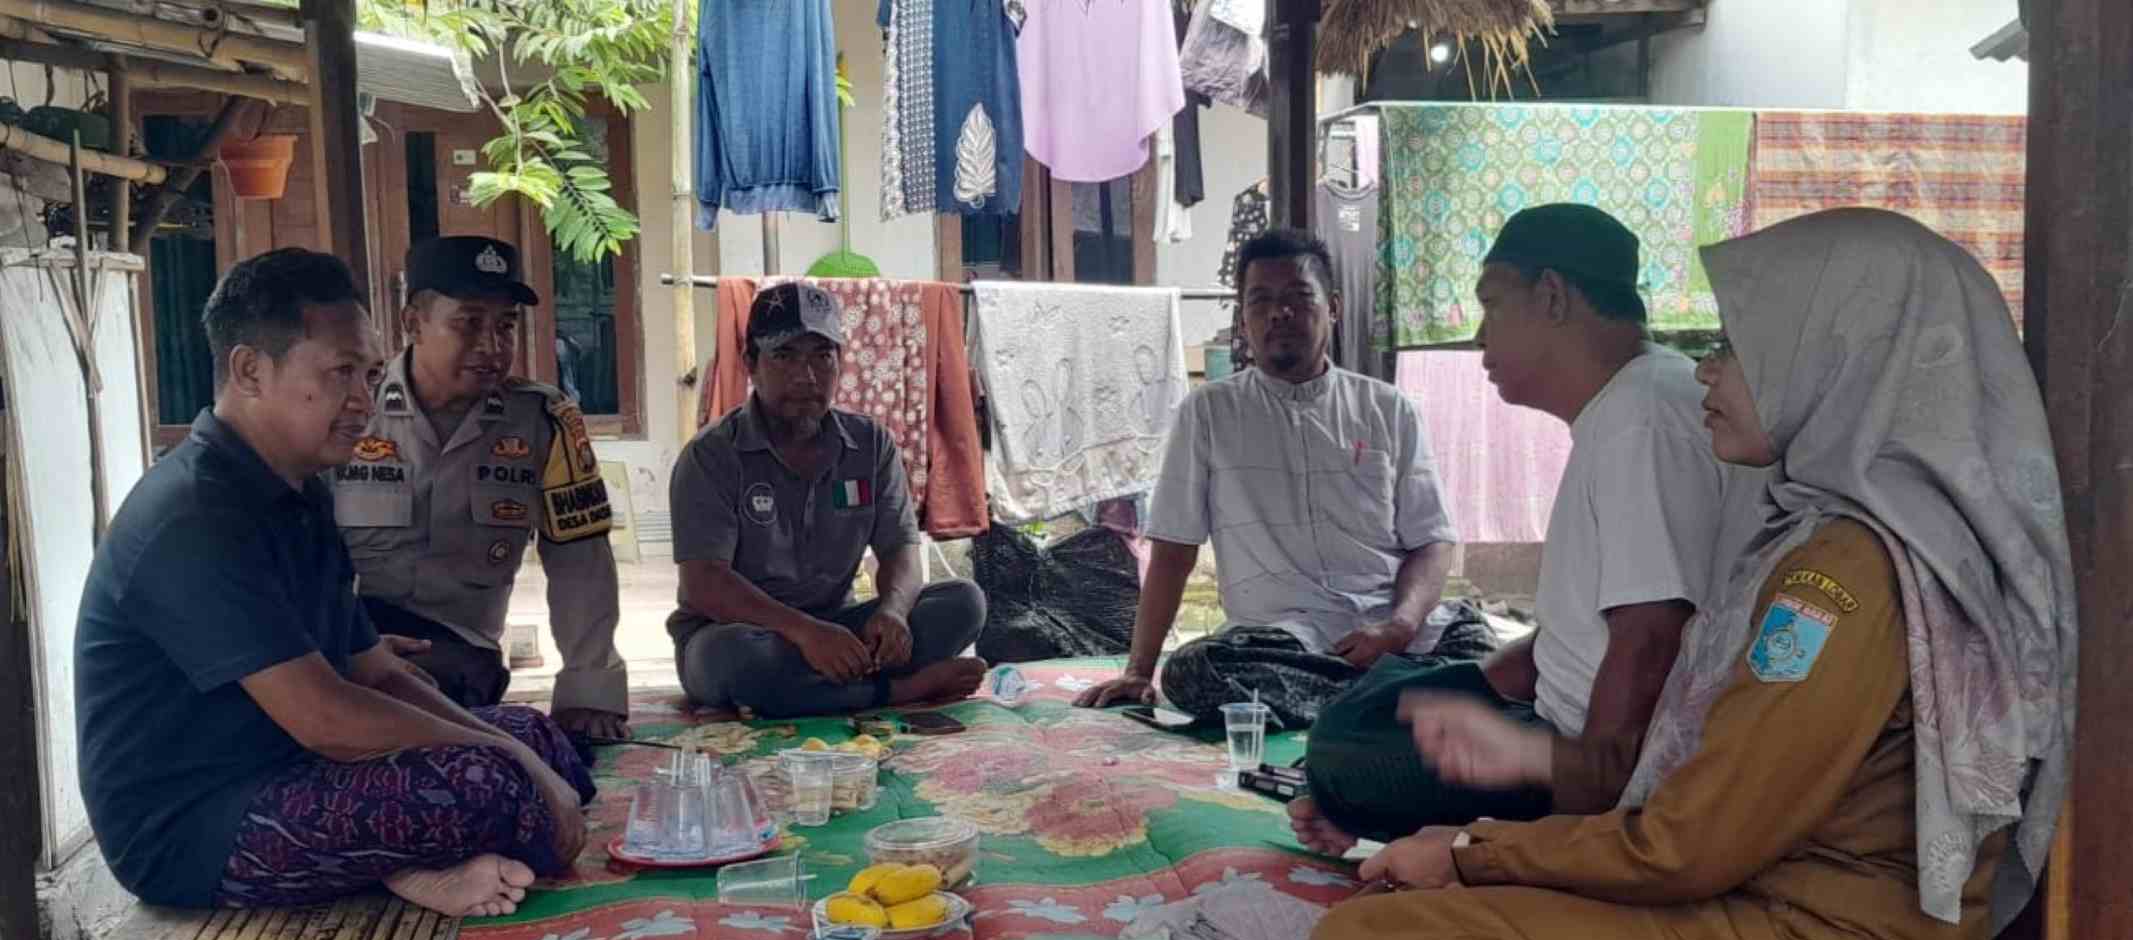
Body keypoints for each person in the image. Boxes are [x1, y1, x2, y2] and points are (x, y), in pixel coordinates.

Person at [1300, 209, 2076, 940]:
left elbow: (1688, 841)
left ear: (1834, 360)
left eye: (1737, 347)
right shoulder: (1844, 537)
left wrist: (1468, 851)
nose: (1707, 371)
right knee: (1414, 926)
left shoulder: (1843, 575)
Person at [75, 249, 597, 919]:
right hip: (198, 825)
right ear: (250, 370)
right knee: (495, 784)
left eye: (371, 373)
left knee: (539, 737)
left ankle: (403, 863)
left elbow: (375, 672)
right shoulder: (192, 515)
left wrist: (517, 750)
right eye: (340, 373)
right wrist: (510, 763)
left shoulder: (299, 491)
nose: (363, 400)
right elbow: (325, 718)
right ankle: (404, 864)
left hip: (290, 765)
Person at [1295, 204, 1731, 847]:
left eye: (1492, 304)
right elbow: (1572, 637)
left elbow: (1649, 637)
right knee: (1373, 708)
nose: (1479, 335)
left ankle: (1369, 797)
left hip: (1579, 759)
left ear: (1551, 297)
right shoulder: (1631, 402)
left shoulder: (1642, 420)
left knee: (1345, 748)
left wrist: (1575, 816)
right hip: (1549, 718)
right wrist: (1459, 693)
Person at [1074, 228, 1490, 730]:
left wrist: (1400, 626)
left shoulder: (1389, 408)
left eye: (1298, 297)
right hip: (1280, 643)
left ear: (1333, 307)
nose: (1279, 313)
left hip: (1386, 634)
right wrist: (1140, 671)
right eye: (1261, 301)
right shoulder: (1208, 413)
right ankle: (1402, 701)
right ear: (1243, 317)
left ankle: (1365, 701)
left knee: (1477, 639)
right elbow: (1173, 551)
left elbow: (1431, 540)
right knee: (1193, 670)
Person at [331, 236, 629, 740]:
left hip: (458, 648)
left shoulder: (543, 421)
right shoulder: (351, 407)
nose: (491, 346)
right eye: (468, 324)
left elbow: (581, 562)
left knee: (413, 694)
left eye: (505, 326)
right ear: (412, 323)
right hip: (349, 633)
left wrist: (588, 689)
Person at [668, 282, 988, 716]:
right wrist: (804, 633)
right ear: (750, 365)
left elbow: (900, 549)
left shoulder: (870, 445)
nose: (806, 376)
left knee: (963, 602)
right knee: (736, 660)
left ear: (840, 362)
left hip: (839, 629)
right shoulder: (711, 456)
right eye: (785, 356)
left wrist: (893, 613)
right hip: (738, 634)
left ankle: (824, 687)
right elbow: (704, 583)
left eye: (822, 356)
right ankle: (898, 691)